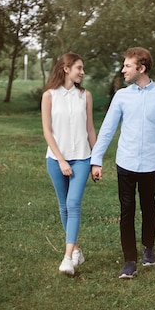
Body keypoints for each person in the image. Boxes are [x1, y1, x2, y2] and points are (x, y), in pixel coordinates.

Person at [90, 47, 155, 279]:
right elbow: (107, 130)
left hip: (150, 165)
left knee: (148, 208)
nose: (123, 69)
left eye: (127, 65)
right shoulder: (122, 96)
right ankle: (129, 261)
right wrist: (96, 160)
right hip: (125, 164)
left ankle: (148, 247)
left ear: (141, 68)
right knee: (126, 210)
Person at [41, 53, 97, 276]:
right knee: (63, 206)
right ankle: (76, 250)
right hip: (56, 159)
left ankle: (67, 259)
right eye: (79, 68)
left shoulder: (85, 96)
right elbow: (47, 131)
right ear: (66, 68)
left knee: (73, 203)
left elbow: (90, 129)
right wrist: (62, 160)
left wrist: (96, 161)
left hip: (82, 157)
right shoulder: (49, 96)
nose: (82, 72)